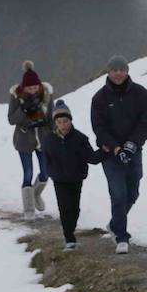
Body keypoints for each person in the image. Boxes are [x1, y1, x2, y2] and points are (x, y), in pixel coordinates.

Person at [90, 55, 147, 254]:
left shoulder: (140, 93)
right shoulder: (99, 98)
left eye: (122, 69)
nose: (118, 73)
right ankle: (121, 237)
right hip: (110, 154)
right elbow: (98, 127)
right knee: (118, 194)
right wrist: (116, 147)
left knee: (132, 192)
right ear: (108, 72)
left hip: (134, 151)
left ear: (127, 71)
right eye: (114, 69)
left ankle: (114, 223)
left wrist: (131, 144)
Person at [43, 100, 105, 251]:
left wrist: (104, 150)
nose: (63, 125)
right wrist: (50, 171)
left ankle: (71, 228)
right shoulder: (49, 140)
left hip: (76, 178)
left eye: (65, 121)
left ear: (70, 121)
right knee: (64, 208)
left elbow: (91, 158)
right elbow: (46, 158)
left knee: (74, 209)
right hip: (59, 179)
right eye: (59, 122)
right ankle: (69, 238)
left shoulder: (80, 139)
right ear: (55, 123)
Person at [7, 60, 54, 219]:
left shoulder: (46, 94)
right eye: (29, 88)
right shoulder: (16, 96)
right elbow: (11, 119)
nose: (33, 90)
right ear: (24, 87)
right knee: (28, 172)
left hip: (43, 138)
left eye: (35, 87)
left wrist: (55, 135)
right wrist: (23, 109)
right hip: (24, 139)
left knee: (46, 172)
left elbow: (52, 117)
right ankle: (28, 209)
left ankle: (35, 194)